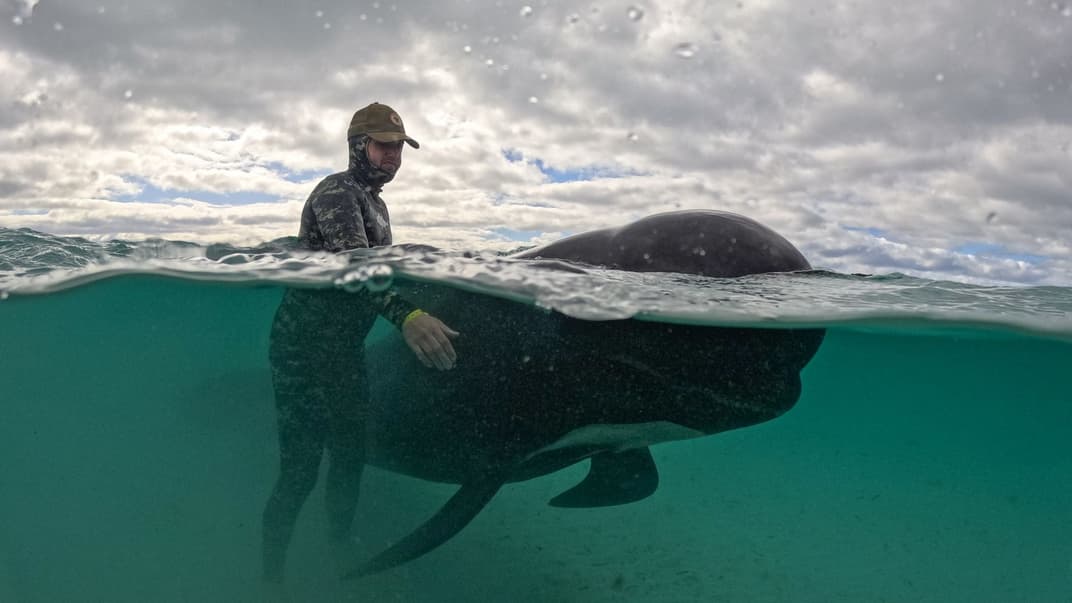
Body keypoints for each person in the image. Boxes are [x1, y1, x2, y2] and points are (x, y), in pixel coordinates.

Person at [261, 102, 459, 586]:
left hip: (344, 354)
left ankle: (338, 554)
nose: (393, 155)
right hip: (303, 354)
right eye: (383, 145)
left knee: (350, 458)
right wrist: (408, 315)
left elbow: (377, 272)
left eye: (399, 147)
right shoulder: (337, 193)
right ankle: (271, 580)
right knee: (300, 473)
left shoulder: (376, 204)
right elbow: (356, 268)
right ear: (357, 146)